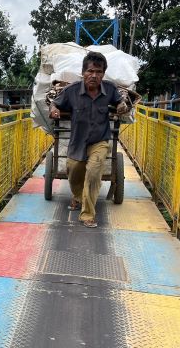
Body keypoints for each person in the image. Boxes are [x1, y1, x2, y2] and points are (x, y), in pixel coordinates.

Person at [49, 51, 127, 228]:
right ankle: (77, 196)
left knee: (93, 173)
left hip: (99, 141)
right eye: (90, 71)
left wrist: (121, 106)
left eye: (98, 72)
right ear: (83, 72)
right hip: (77, 142)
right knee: (73, 170)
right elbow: (55, 103)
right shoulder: (71, 91)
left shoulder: (110, 90)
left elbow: (120, 102)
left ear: (103, 74)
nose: (94, 75)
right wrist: (53, 109)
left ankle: (87, 214)